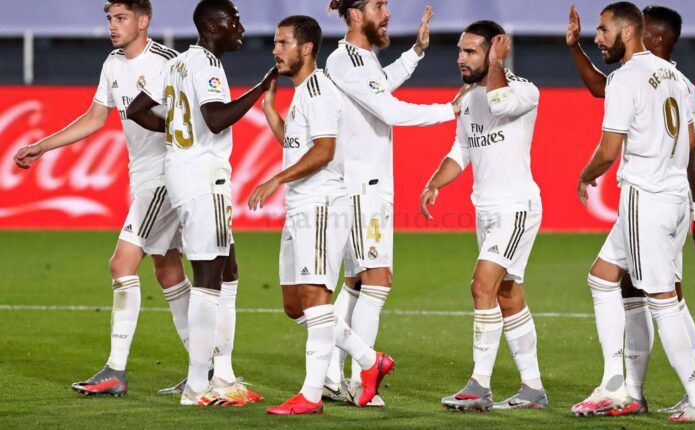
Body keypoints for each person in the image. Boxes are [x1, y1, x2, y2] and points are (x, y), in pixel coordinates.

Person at [13, 0, 191, 397]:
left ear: (144, 21)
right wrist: (43, 145)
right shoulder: (113, 63)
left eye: (121, 17)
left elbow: (194, 120)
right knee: (168, 271)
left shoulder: (169, 62)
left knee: (121, 263)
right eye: (109, 18)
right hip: (142, 176)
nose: (113, 25)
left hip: (167, 177)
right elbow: (96, 117)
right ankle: (206, 368)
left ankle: (115, 371)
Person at [566, 3, 695, 415]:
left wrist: (584, 175)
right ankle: (621, 386)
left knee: (662, 300)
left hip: (644, 197)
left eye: (603, 30)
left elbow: (609, 150)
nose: (598, 38)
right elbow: (692, 145)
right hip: (674, 198)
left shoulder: (625, 79)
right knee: (603, 278)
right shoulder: (679, 80)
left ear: (632, 33)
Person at [126, 0, 275, 406]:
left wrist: (174, 128)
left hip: (182, 171)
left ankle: (223, 375)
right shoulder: (207, 64)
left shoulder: (176, 64)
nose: (241, 26)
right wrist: (261, 90)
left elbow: (137, 109)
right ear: (213, 25)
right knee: (209, 275)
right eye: (234, 19)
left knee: (227, 269)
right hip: (202, 176)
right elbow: (215, 118)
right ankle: (197, 386)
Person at [249, 15, 394, 414]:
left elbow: (324, 150)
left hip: (322, 206)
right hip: (300, 207)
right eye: (275, 43)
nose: (276, 51)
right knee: (295, 305)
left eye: (283, 43)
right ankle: (369, 360)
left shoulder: (320, 91)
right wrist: (270, 112)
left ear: (307, 48)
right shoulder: (301, 94)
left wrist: (276, 178)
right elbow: (300, 145)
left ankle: (312, 395)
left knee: (314, 298)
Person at [324, 0, 466, 405]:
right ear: (354, 13)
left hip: (367, 186)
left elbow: (379, 86)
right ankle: (361, 380)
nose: (386, 13)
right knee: (378, 282)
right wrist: (451, 109)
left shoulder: (361, 60)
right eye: (378, 5)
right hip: (361, 188)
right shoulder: (344, 59)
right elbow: (388, 108)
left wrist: (416, 53)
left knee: (355, 284)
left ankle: (332, 375)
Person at [419, 20, 547, 412]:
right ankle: (533, 389)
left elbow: (497, 102)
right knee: (507, 295)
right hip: (487, 211)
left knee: (481, 286)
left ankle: (480, 385)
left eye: (471, 51)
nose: (460, 58)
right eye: (460, 50)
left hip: (516, 209)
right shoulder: (467, 97)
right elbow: (462, 150)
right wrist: (435, 182)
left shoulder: (524, 91)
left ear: (495, 51)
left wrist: (496, 66)